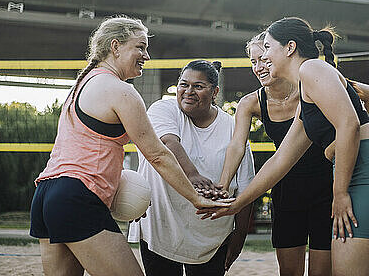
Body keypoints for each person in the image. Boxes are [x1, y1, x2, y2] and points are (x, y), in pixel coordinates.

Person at [202, 17, 369, 276]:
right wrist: (237, 203)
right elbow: (280, 161)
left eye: (267, 48)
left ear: (289, 48)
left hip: (367, 180)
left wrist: (340, 193)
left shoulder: (312, 69)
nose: (263, 58)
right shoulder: (306, 95)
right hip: (366, 181)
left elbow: (349, 124)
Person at [29, 16, 228, 276]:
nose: (146, 55)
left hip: (46, 195)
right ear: (116, 46)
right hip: (76, 196)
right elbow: (157, 155)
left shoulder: (81, 84)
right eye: (140, 47)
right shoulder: (121, 90)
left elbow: (87, 154)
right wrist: (196, 198)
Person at [132, 59, 255, 276]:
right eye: (183, 84)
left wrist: (237, 240)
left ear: (215, 91)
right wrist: (192, 175)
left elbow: (245, 194)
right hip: (161, 229)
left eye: (198, 86)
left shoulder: (233, 129)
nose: (189, 91)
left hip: (210, 236)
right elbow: (168, 143)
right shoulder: (164, 108)